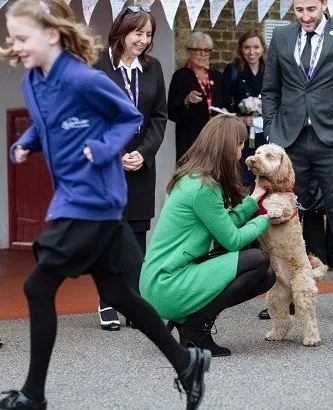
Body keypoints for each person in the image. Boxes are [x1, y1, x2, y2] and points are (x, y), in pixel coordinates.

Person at [0, 1, 209, 409]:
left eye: (22, 37)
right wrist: (26, 144)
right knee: (123, 293)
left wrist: (103, 147)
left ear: (51, 35)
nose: (15, 45)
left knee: (36, 286)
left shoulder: (82, 77)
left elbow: (128, 117)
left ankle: (33, 395)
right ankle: (187, 364)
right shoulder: (32, 82)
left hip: (92, 199)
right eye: (11, 37)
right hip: (76, 198)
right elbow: (46, 126)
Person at [262, 0, 333, 322]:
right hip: (290, 141)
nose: (305, 17)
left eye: (311, 8)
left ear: (324, 4)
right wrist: (272, 133)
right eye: (299, 10)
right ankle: (285, 295)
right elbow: (270, 90)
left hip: (332, 141)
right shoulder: (280, 38)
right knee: (284, 220)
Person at [139, 115, 276, 357]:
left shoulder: (193, 177)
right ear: (227, 147)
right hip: (168, 284)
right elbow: (231, 240)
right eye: (240, 144)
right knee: (257, 260)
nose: (242, 151)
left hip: (160, 280)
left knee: (266, 277)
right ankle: (194, 328)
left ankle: (192, 323)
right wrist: (266, 219)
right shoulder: (204, 187)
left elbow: (221, 225)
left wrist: (254, 199)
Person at [93, 4, 167, 331]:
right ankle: (108, 301)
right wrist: (119, 152)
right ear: (122, 30)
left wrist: (143, 153)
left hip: (141, 164)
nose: (143, 40)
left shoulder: (153, 68)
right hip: (109, 163)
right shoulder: (97, 65)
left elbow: (159, 117)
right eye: (138, 33)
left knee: (137, 232)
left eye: (148, 34)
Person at [168, 32, 227, 161]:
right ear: (188, 52)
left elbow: (225, 102)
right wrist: (187, 100)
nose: (203, 54)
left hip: (215, 136)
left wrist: (225, 111)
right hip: (191, 138)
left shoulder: (216, 76)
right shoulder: (180, 76)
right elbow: (171, 111)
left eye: (206, 50)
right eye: (198, 50)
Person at [222, 30, 267, 188]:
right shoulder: (233, 70)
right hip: (241, 135)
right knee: (243, 177)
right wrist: (239, 118)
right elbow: (224, 102)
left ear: (263, 48)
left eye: (256, 47)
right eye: (247, 47)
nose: (251, 52)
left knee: (265, 175)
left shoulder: (270, 71)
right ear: (241, 49)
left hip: (265, 134)